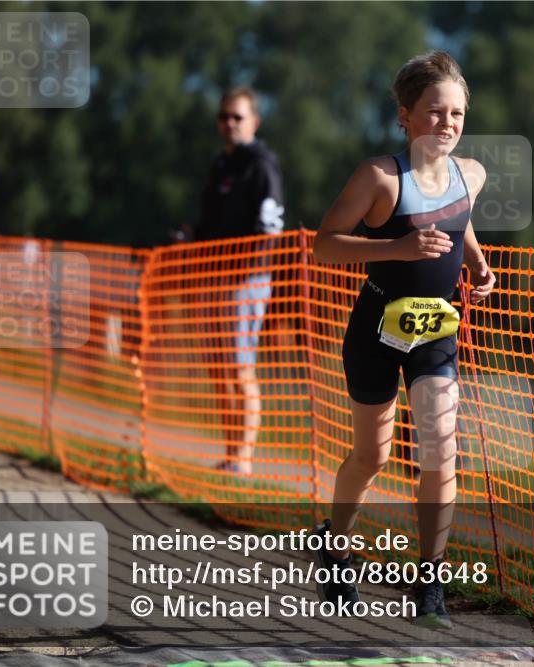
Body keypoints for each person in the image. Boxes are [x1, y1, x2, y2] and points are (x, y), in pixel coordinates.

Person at [311, 51, 496, 629]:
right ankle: (335, 548)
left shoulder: (474, 173)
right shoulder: (379, 177)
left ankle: (429, 581)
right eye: (435, 112)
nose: (447, 123)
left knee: (441, 449)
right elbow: (326, 244)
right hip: (376, 328)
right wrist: (396, 249)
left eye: (458, 114)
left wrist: (480, 266)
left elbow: (460, 225)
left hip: (436, 330)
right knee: (374, 454)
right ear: (406, 116)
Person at [193, 86, 286, 476]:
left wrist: (248, 265)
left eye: (238, 117)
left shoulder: (260, 164)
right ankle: (230, 451)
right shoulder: (221, 165)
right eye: (224, 117)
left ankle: (244, 457)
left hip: (245, 279)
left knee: (239, 366)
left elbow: (271, 225)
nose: (229, 123)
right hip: (211, 278)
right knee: (218, 367)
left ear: (254, 122)